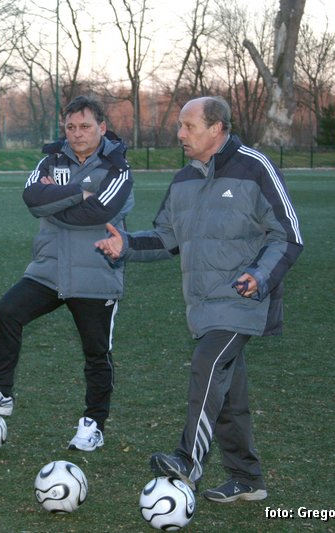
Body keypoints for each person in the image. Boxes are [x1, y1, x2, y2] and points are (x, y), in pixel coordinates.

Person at [95, 96, 303, 501]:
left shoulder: (254, 167)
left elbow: (289, 234)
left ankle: (188, 459)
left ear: (217, 128)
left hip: (244, 299)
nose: (180, 134)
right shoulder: (183, 180)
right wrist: (127, 245)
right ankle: (247, 479)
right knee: (226, 394)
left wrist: (259, 275)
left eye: (188, 126)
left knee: (207, 366)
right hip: (202, 305)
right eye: (180, 126)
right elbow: (166, 238)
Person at [0, 95, 134, 451]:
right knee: (7, 312)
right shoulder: (51, 160)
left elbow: (99, 211)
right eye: (70, 127)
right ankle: (1, 391)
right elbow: (31, 197)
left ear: (102, 128)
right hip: (49, 269)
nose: (77, 134)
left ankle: (93, 423)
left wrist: (56, 204)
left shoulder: (118, 168)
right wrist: (80, 192)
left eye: (85, 126)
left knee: (96, 352)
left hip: (95, 273)